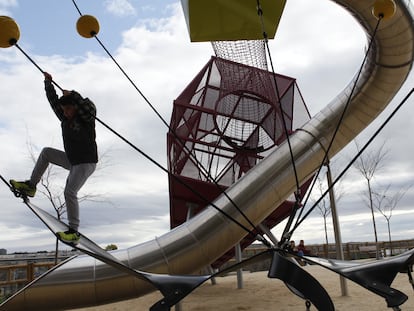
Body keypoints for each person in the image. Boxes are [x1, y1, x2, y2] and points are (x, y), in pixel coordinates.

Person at [10, 72, 98, 243]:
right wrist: (48, 83)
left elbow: (89, 108)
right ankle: (31, 186)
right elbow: (53, 103)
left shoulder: (86, 118)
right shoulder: (64, 118)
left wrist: (73, 94)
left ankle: (74, 232)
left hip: (86, 162)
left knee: (69, 192)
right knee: (46, 152)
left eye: (69, 109)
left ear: (75, 107)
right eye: (64, 110)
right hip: (72, 160)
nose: (65, 113)